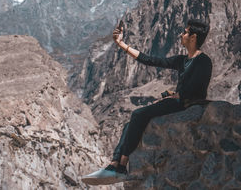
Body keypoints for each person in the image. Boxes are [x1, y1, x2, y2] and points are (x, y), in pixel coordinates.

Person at [82, 19, 212, 185]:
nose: (182, 34)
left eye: (185, 32)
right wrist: (121, 44)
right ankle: (114, 164)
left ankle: (121, 166)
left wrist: (177, 96)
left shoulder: (204, 61)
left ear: (193, 37)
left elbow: (198, 88)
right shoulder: (183, 59)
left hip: (186, 105)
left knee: (138, 114)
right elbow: (151, 60)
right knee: (130, 124)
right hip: (179, 101)